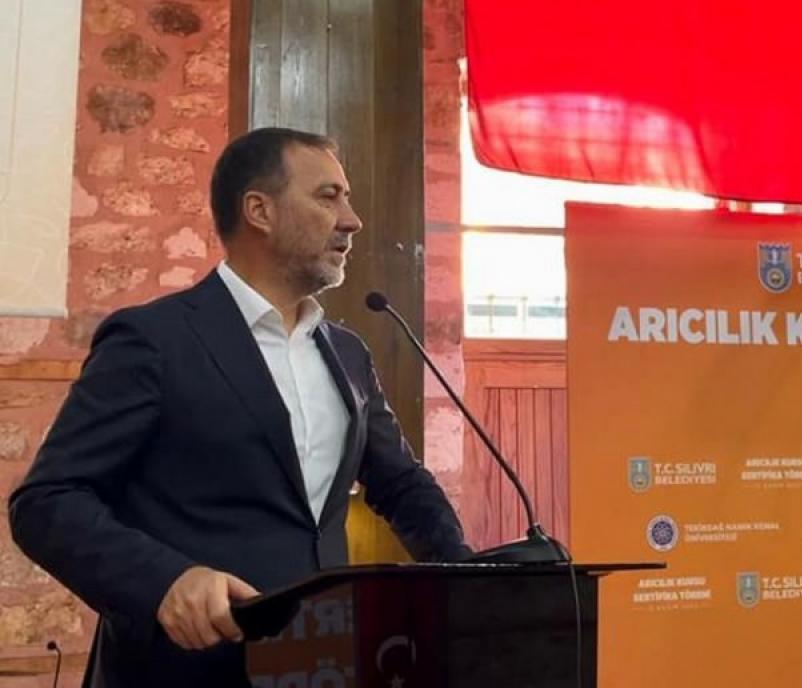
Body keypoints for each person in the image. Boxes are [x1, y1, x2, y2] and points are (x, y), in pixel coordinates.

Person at [9, 128, 471, 687]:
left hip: (321, 664)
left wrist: (471, 578)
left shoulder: (348, 353)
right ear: (259, 210)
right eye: (328, 197)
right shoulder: (155, 340)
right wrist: (164, 581)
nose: (352, 221)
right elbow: (48, 502)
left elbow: (401, 483)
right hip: (182, 670)